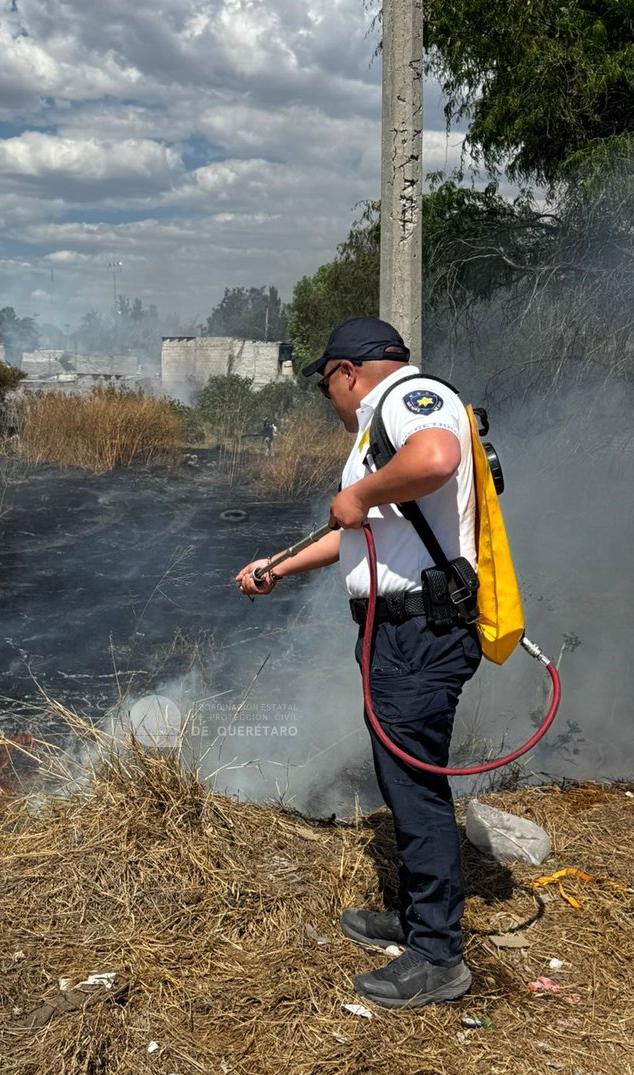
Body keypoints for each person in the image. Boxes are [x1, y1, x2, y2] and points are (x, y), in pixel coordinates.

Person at [235, 316, 481, 1009]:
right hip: (397, 633)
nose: (331, 402)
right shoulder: (384, 426)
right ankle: (417, 918)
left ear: (346, 372)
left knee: (414, 786)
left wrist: (361, 493)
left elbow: (436, 459)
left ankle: (439, 957)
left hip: (419, 634)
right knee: (402, 781)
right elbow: (358, 534)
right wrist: (279, 566)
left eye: (326, 388)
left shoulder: (408, 399)